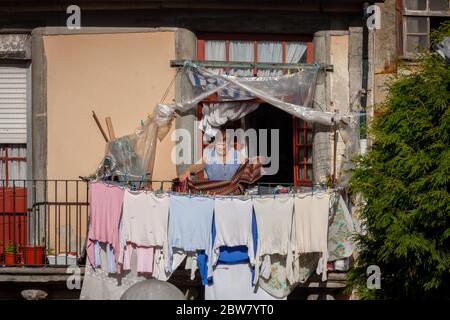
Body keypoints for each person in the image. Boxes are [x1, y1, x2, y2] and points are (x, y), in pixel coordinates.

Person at [179, 128, 244, 182]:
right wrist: (188, 170)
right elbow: (199, 165)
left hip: (234, 194)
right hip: (215, 193)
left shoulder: (236, 155)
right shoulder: (210, 156)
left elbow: (247, 166)